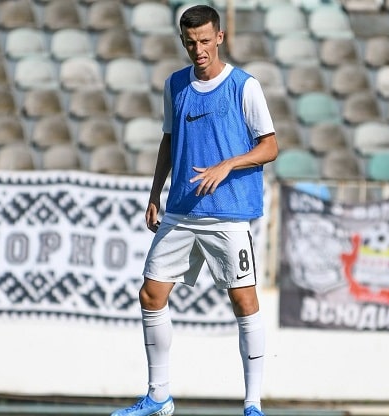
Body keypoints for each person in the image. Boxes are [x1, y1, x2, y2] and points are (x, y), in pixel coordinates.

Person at [111, 5, 278, 416]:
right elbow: (169, 140)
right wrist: (155, 193)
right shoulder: (175, 85)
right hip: (182, 211)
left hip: (228, 213)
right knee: (151, 294)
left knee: (244, 302)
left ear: (219, 37)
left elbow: (270, 146)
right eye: (190, 43)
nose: (198, 49)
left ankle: (252, 404)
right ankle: (159, 396)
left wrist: (228, 164)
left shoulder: (244, 86)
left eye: (205, 41)